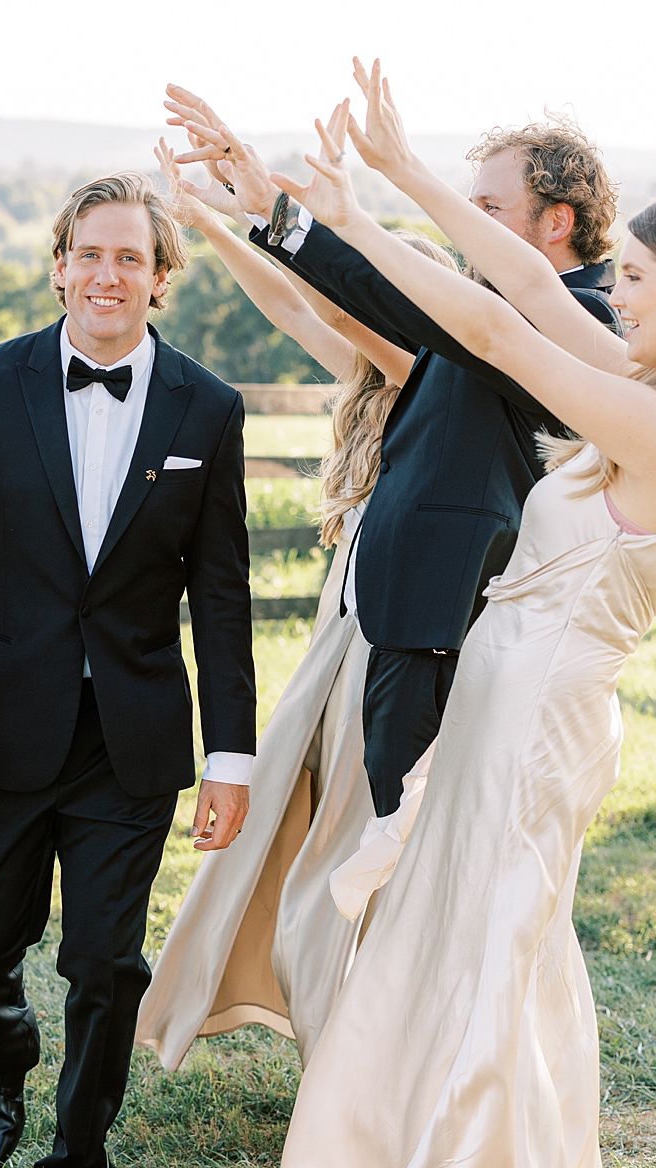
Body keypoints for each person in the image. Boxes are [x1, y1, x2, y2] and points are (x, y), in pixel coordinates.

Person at [240, 67, 656, 1168]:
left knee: (490, 964)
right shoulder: (650, 392)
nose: (619, 297)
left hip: (534, 730)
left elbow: (496, 328)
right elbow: (532, 289)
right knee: (448, 948)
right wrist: (400, 176)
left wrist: (374, 210)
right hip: (498, 712)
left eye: (639, 284)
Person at [0, 171, 256, 1168]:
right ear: (58, 266)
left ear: (158, 278)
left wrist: (229, 755)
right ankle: (0, 1068)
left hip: (130, 737)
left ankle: (79, 1153)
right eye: (88, 253)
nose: (107, 273)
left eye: (129, 257)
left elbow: (221, 596)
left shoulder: (208, 406)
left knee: (104, 955)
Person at [165, 84, 622, 823]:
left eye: (488, 210)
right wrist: (266, 212)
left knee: (414, 849)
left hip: (459, 633)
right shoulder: (490, 311)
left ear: (557, 222)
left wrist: (298, 217)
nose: (469, 228)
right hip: (417, 626)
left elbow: (400, 308)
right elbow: (373, 307)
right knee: (393, 852)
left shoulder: (583, 320)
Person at [137, 137, 460, 1069]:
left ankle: (352, 1047)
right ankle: (312, 1021)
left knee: (351, 843)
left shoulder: (422, 378)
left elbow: (329, 305)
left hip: (385, 647)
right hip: (338, 635)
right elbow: (290, 303)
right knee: (289, 813)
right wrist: (212, 224)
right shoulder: (369, 381)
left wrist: (271, 225)